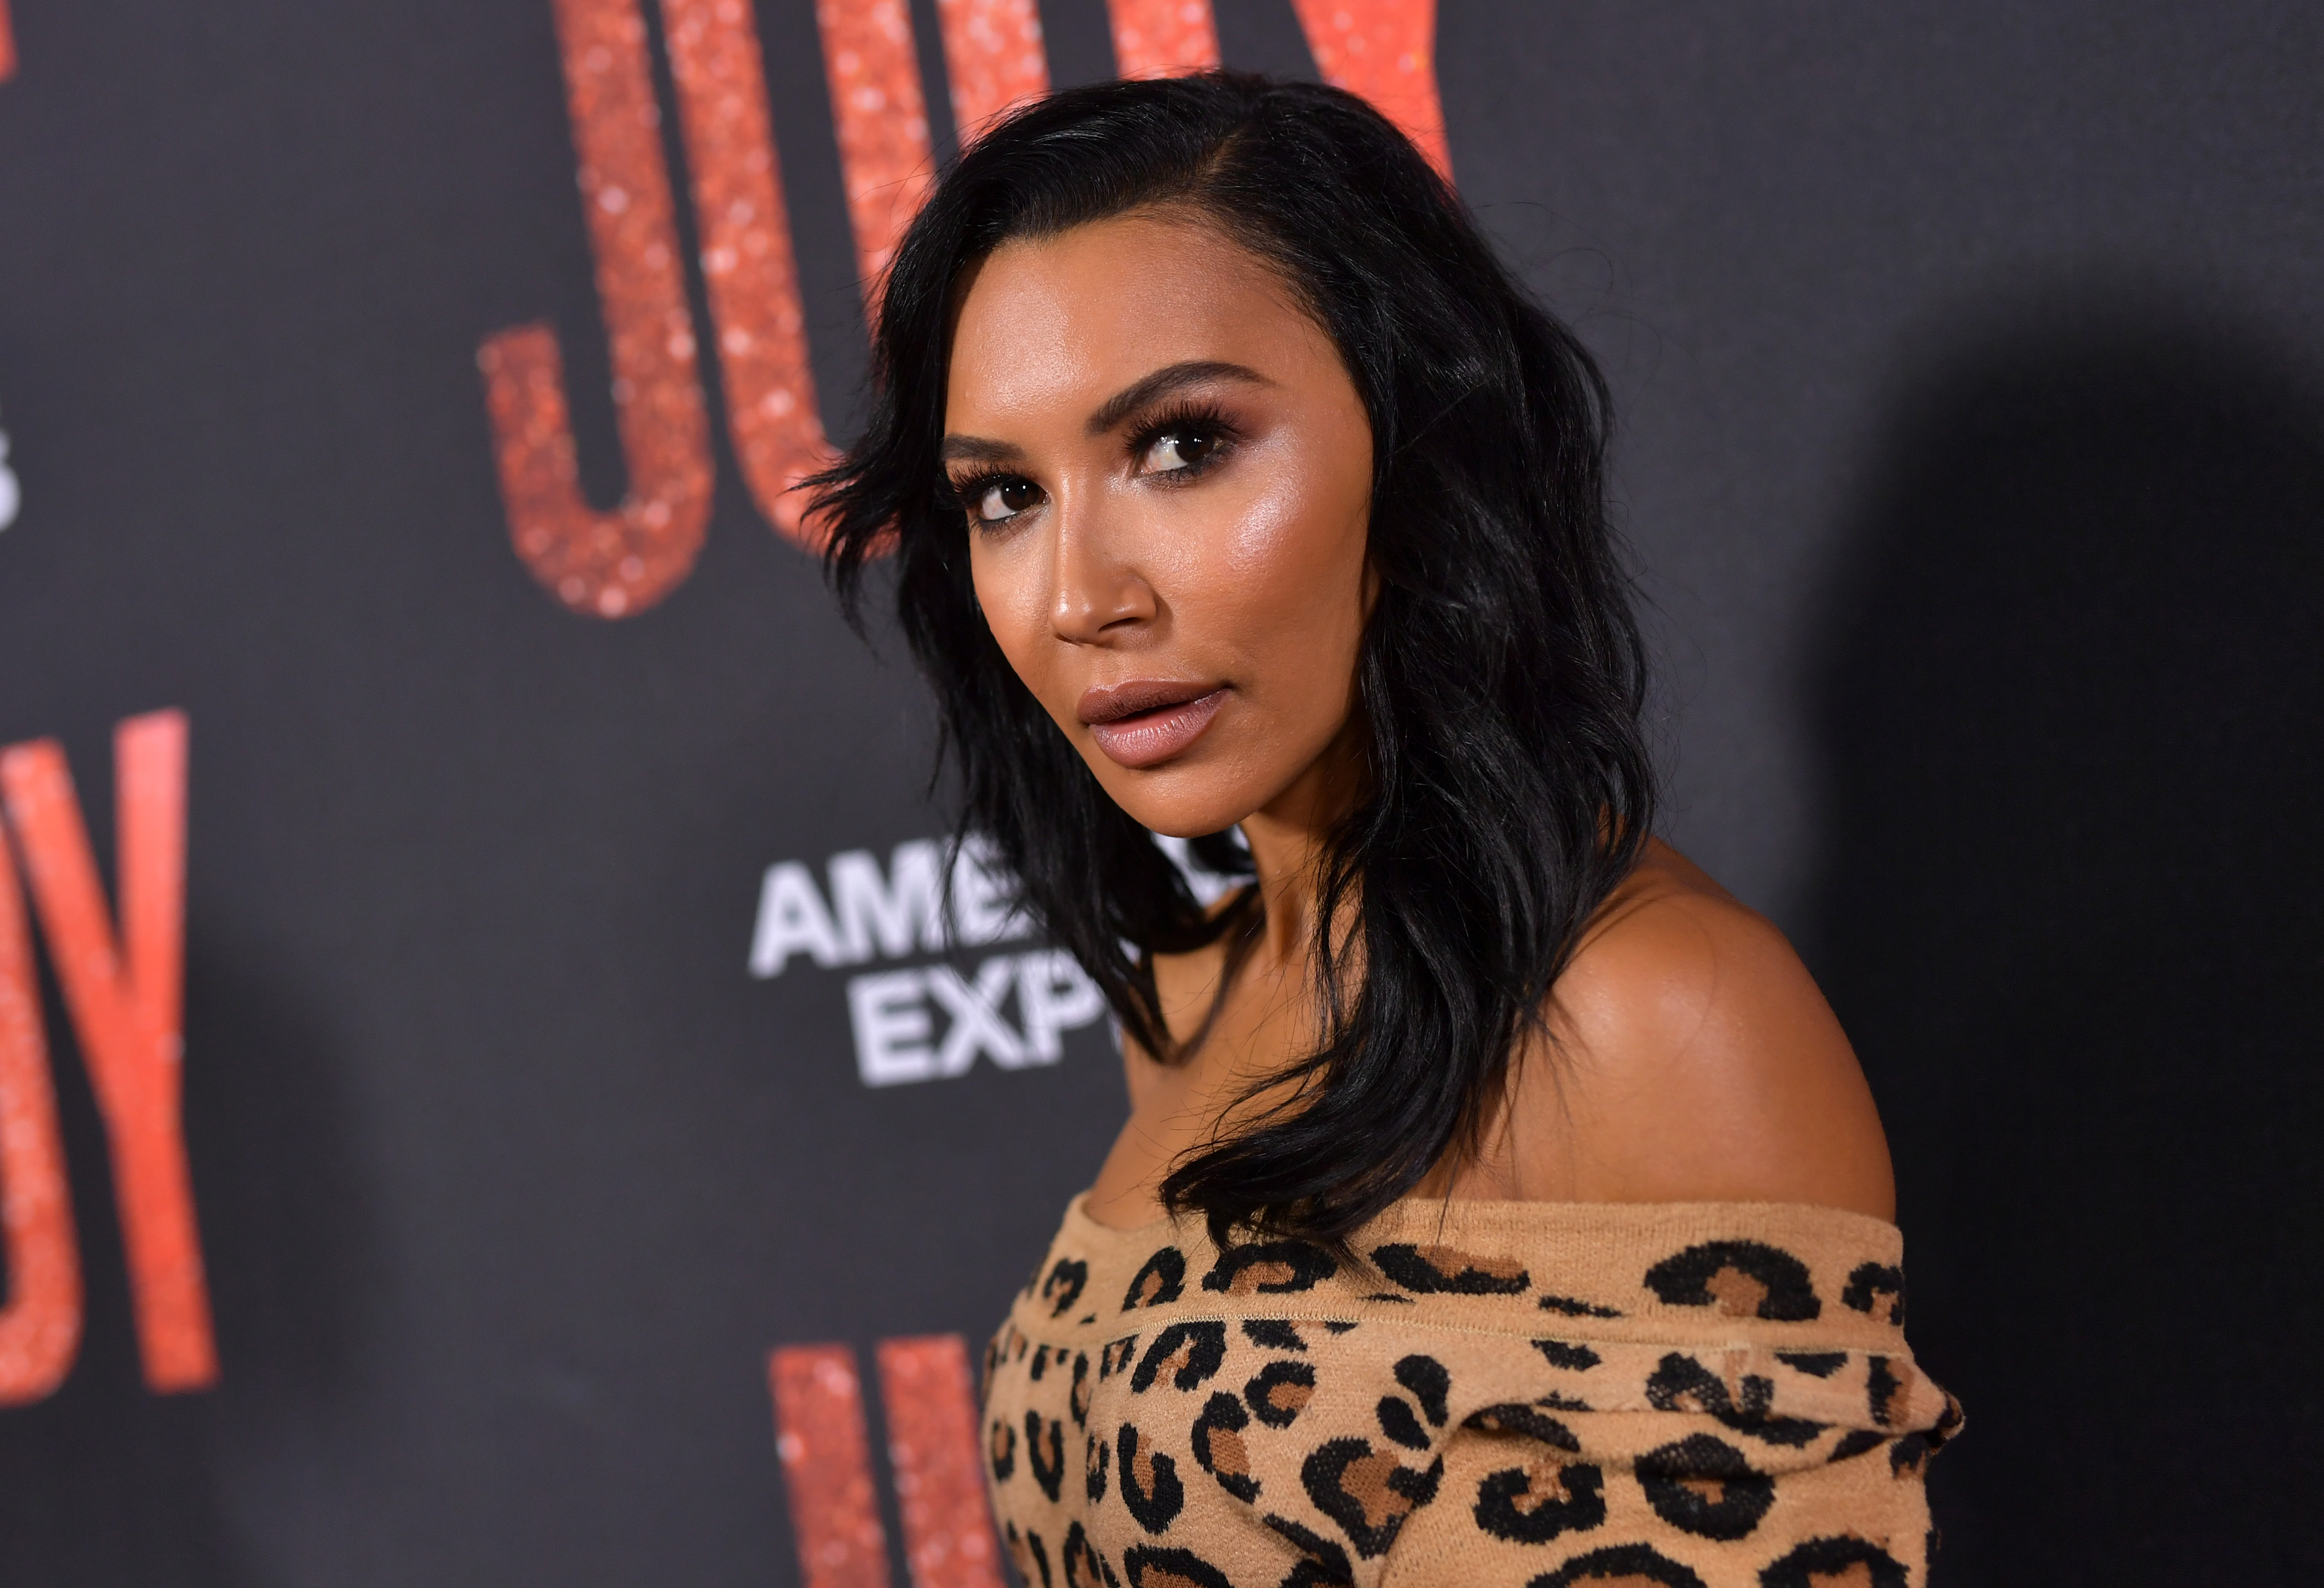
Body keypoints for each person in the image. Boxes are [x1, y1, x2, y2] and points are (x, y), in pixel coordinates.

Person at [812, 72, 1957, 1588]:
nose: (1082, 595)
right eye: (1005, 495)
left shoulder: (1653, 1015)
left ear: (1414, 441)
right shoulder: (1187, 990)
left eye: (1178, 445)